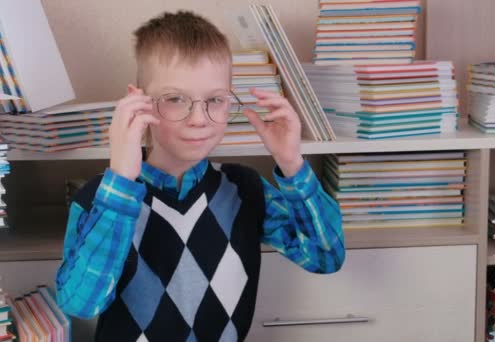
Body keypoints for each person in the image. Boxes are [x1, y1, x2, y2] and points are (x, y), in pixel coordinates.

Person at [55, 10, 345, 342]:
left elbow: (326, 257)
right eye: (176, 99)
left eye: (215, 100)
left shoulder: (245, 190)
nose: (199, 119)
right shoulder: (100, 198)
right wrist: (121, 179)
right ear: (138, 102)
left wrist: (292, 162)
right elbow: (83, 304)